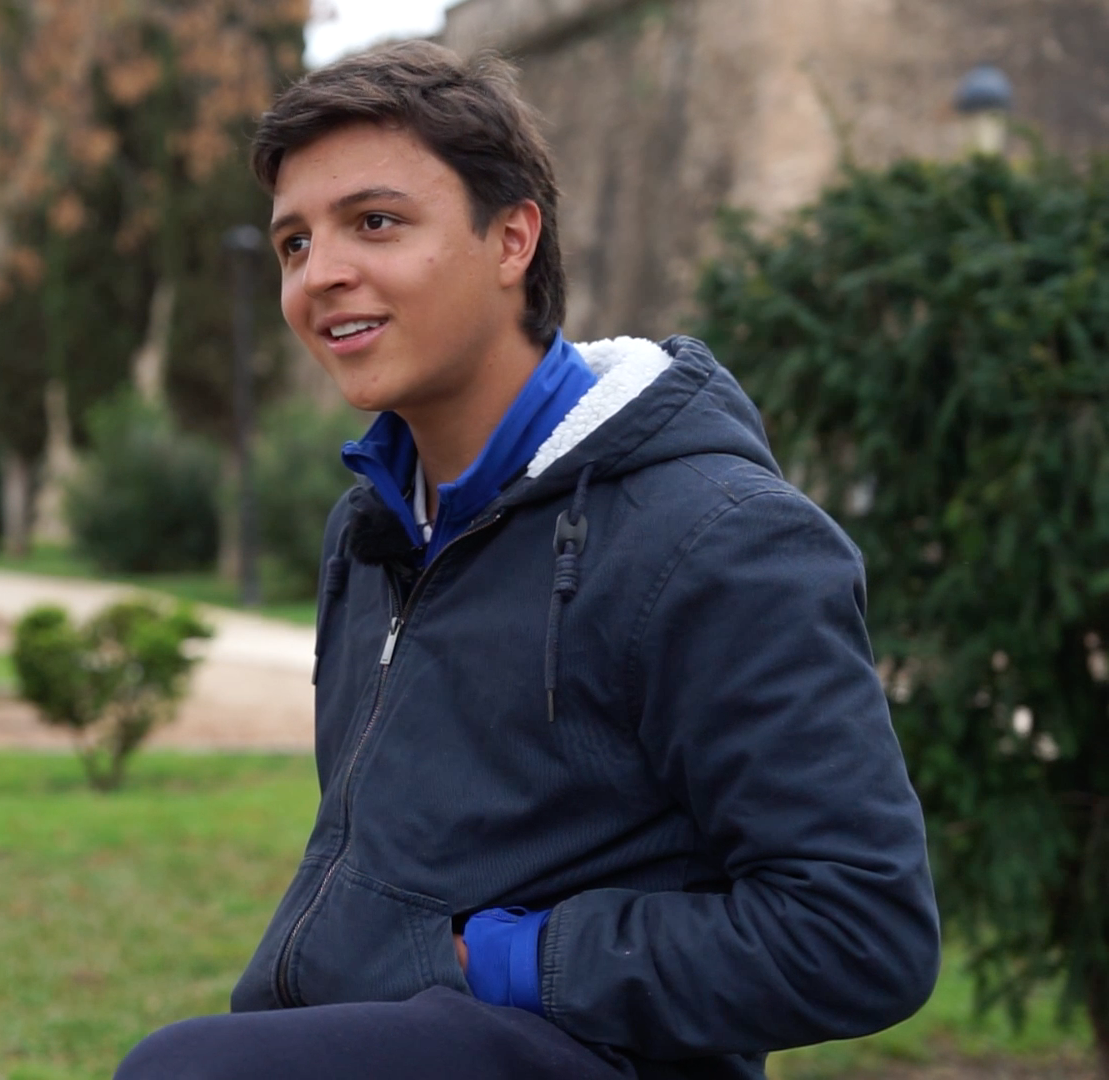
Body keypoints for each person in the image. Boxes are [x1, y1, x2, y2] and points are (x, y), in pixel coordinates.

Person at [114, 41, 939, 1080]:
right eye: (292, 242)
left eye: (375, 222)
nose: (321, 273)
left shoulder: (718, 538)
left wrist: (513, 960)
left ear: (512, 239)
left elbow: (863, 930)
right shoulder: (370, 531)